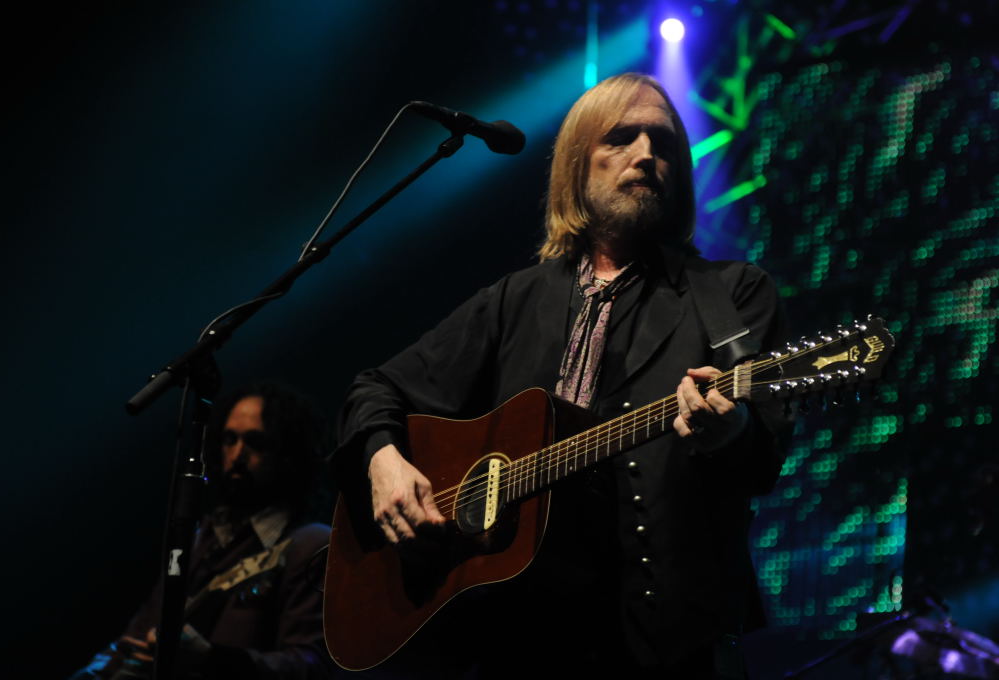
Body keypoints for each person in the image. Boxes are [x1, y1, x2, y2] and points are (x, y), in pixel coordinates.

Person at [334, 73, 792, 678]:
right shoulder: (515, 299)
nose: (646, 154)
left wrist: (730, 434)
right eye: (621, 138)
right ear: (577, 162)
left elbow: (763, 458)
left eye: (662, 143)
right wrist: (383, 460)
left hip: (659, 645)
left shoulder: (731, 295)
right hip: (511, 640)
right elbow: (376, 388)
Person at [72, 383, 334, 680]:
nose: (237, 455)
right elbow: (137, 635)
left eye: (255, 442)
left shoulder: (311, 545)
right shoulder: (200, 539)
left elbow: (314, 667)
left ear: (289, 454)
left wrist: (211, 660)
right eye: (229, 439)